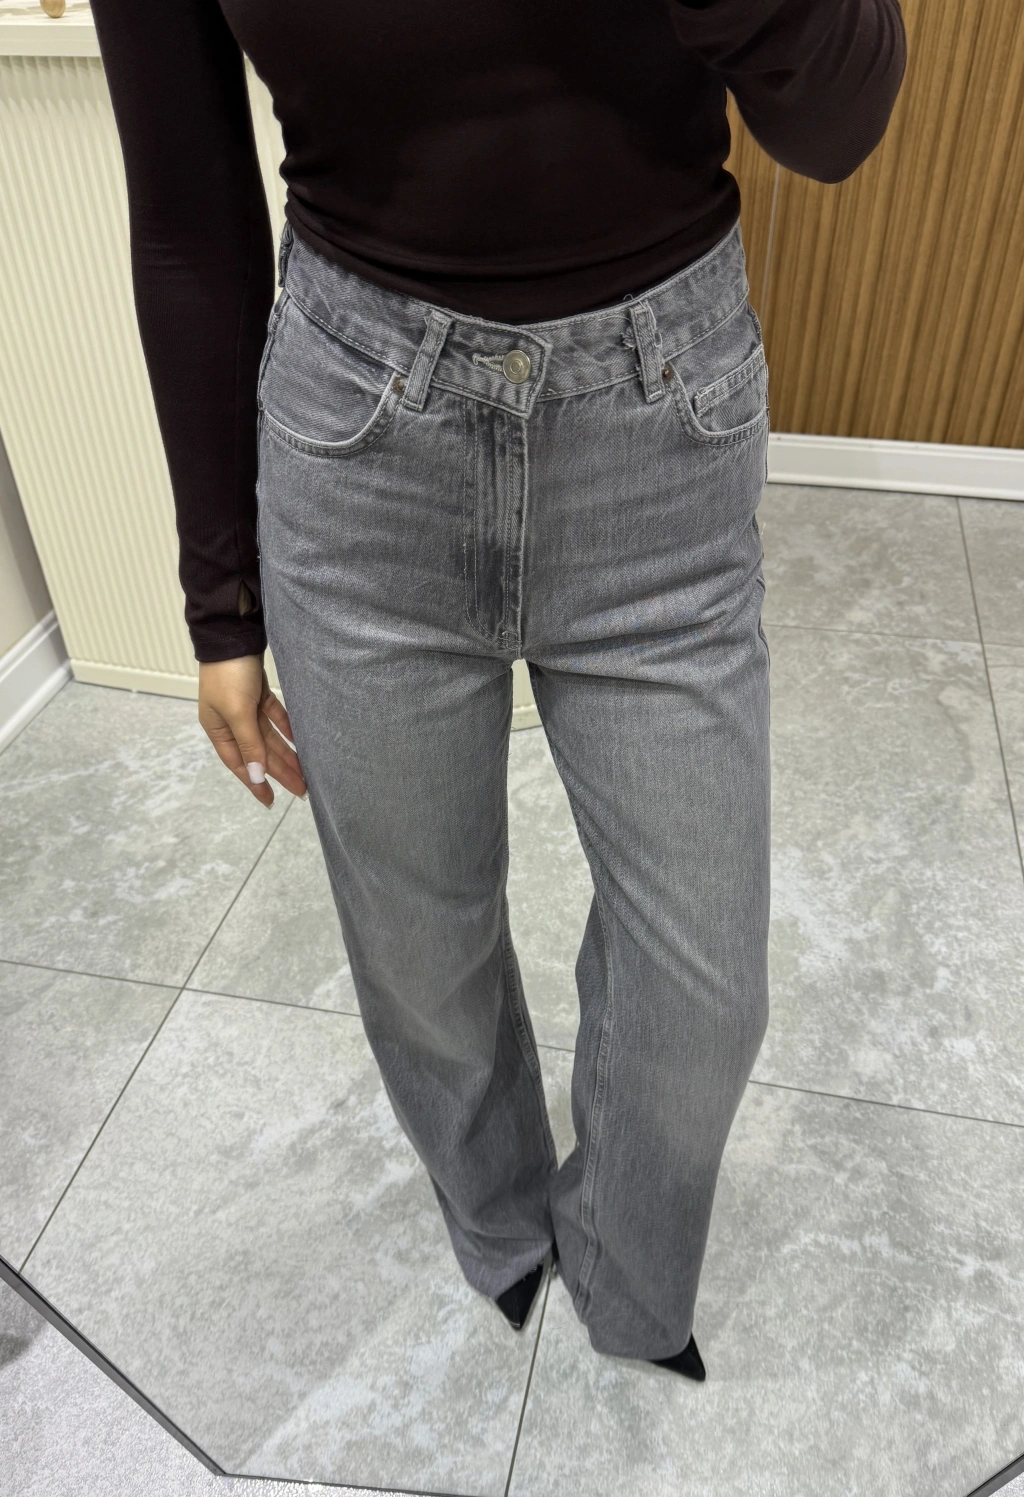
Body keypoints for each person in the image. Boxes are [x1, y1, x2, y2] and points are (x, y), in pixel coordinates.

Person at [89, 0, 906, 1381]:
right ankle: (502, 1229)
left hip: (659, 429)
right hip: (361, 447)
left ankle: (626, 1277)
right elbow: (186, 212)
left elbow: (842, 121)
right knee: (419, 944)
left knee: (705, 993)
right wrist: (220, 598)